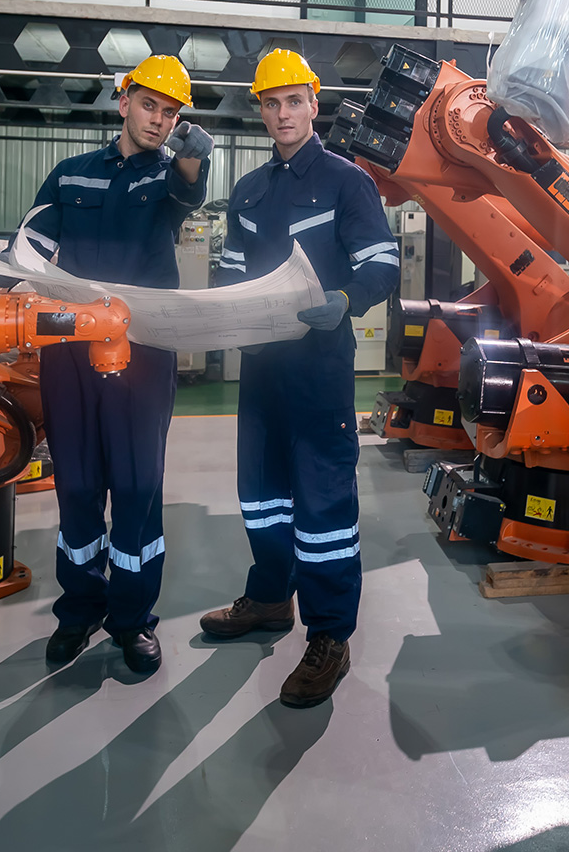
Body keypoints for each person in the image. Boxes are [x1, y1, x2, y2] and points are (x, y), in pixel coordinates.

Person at [200, 49, 400, 708]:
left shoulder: (348, 182)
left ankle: (330, 636)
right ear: (260, 111)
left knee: (323, 506)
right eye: (270, 102)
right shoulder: (249, 191)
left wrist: (345, 300)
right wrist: (215, 308)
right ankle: (268, 598)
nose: (282, 113)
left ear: (314, 104)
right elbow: (231, 272)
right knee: (262, 497)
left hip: (319, 373)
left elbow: (381, 263)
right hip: (261, 371)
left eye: (293, 100)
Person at [24, 54, 213, 675]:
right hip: (69, 354)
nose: (159, 120)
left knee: (136, 486)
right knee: (77, 485)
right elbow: (32, 247)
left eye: (171, 113)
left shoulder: (166, 178)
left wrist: (194, 157)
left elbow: (188, 187)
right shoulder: (69, 175)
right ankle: (79, 610)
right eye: (150, 105)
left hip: (142, 354)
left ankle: (132, 620)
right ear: (124, 101)